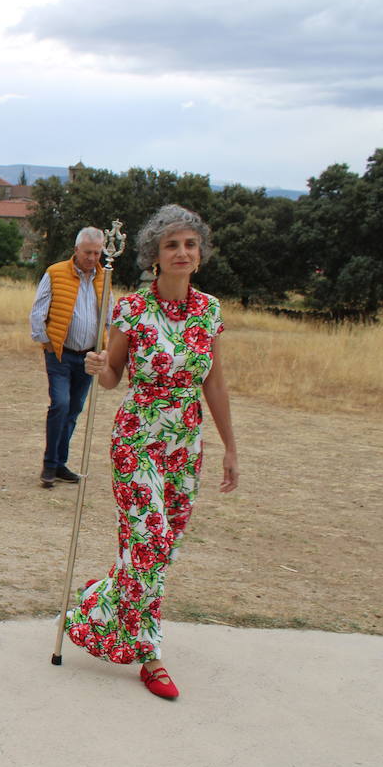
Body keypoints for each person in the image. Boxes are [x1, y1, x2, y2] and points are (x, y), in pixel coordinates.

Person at [67, 204, 239, 700]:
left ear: (199, 254)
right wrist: (97, 364)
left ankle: (101, 602)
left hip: (185, 444)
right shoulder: (132, 309)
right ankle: (150, 654)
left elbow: (217, 384)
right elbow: (111, 376)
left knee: (161, 551)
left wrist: (231, 447)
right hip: (137, 436)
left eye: (189, 244)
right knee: (152, 542)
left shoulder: (210, 312)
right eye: (171, 245)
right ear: (154, 257)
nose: (182, 252)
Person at [30, 226, 107, 488]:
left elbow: (108, 316)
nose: (92, 258)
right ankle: (49, 465)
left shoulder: (104, 278)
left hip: (88, 357)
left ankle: (60, 463)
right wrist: (47, 343)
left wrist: (106, 346)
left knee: (74, 410)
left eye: (97, 253)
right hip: (61, 355)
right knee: (60, 405)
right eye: (88, 252)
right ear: (76, 250)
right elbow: (38, 311)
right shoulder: (55, 273)